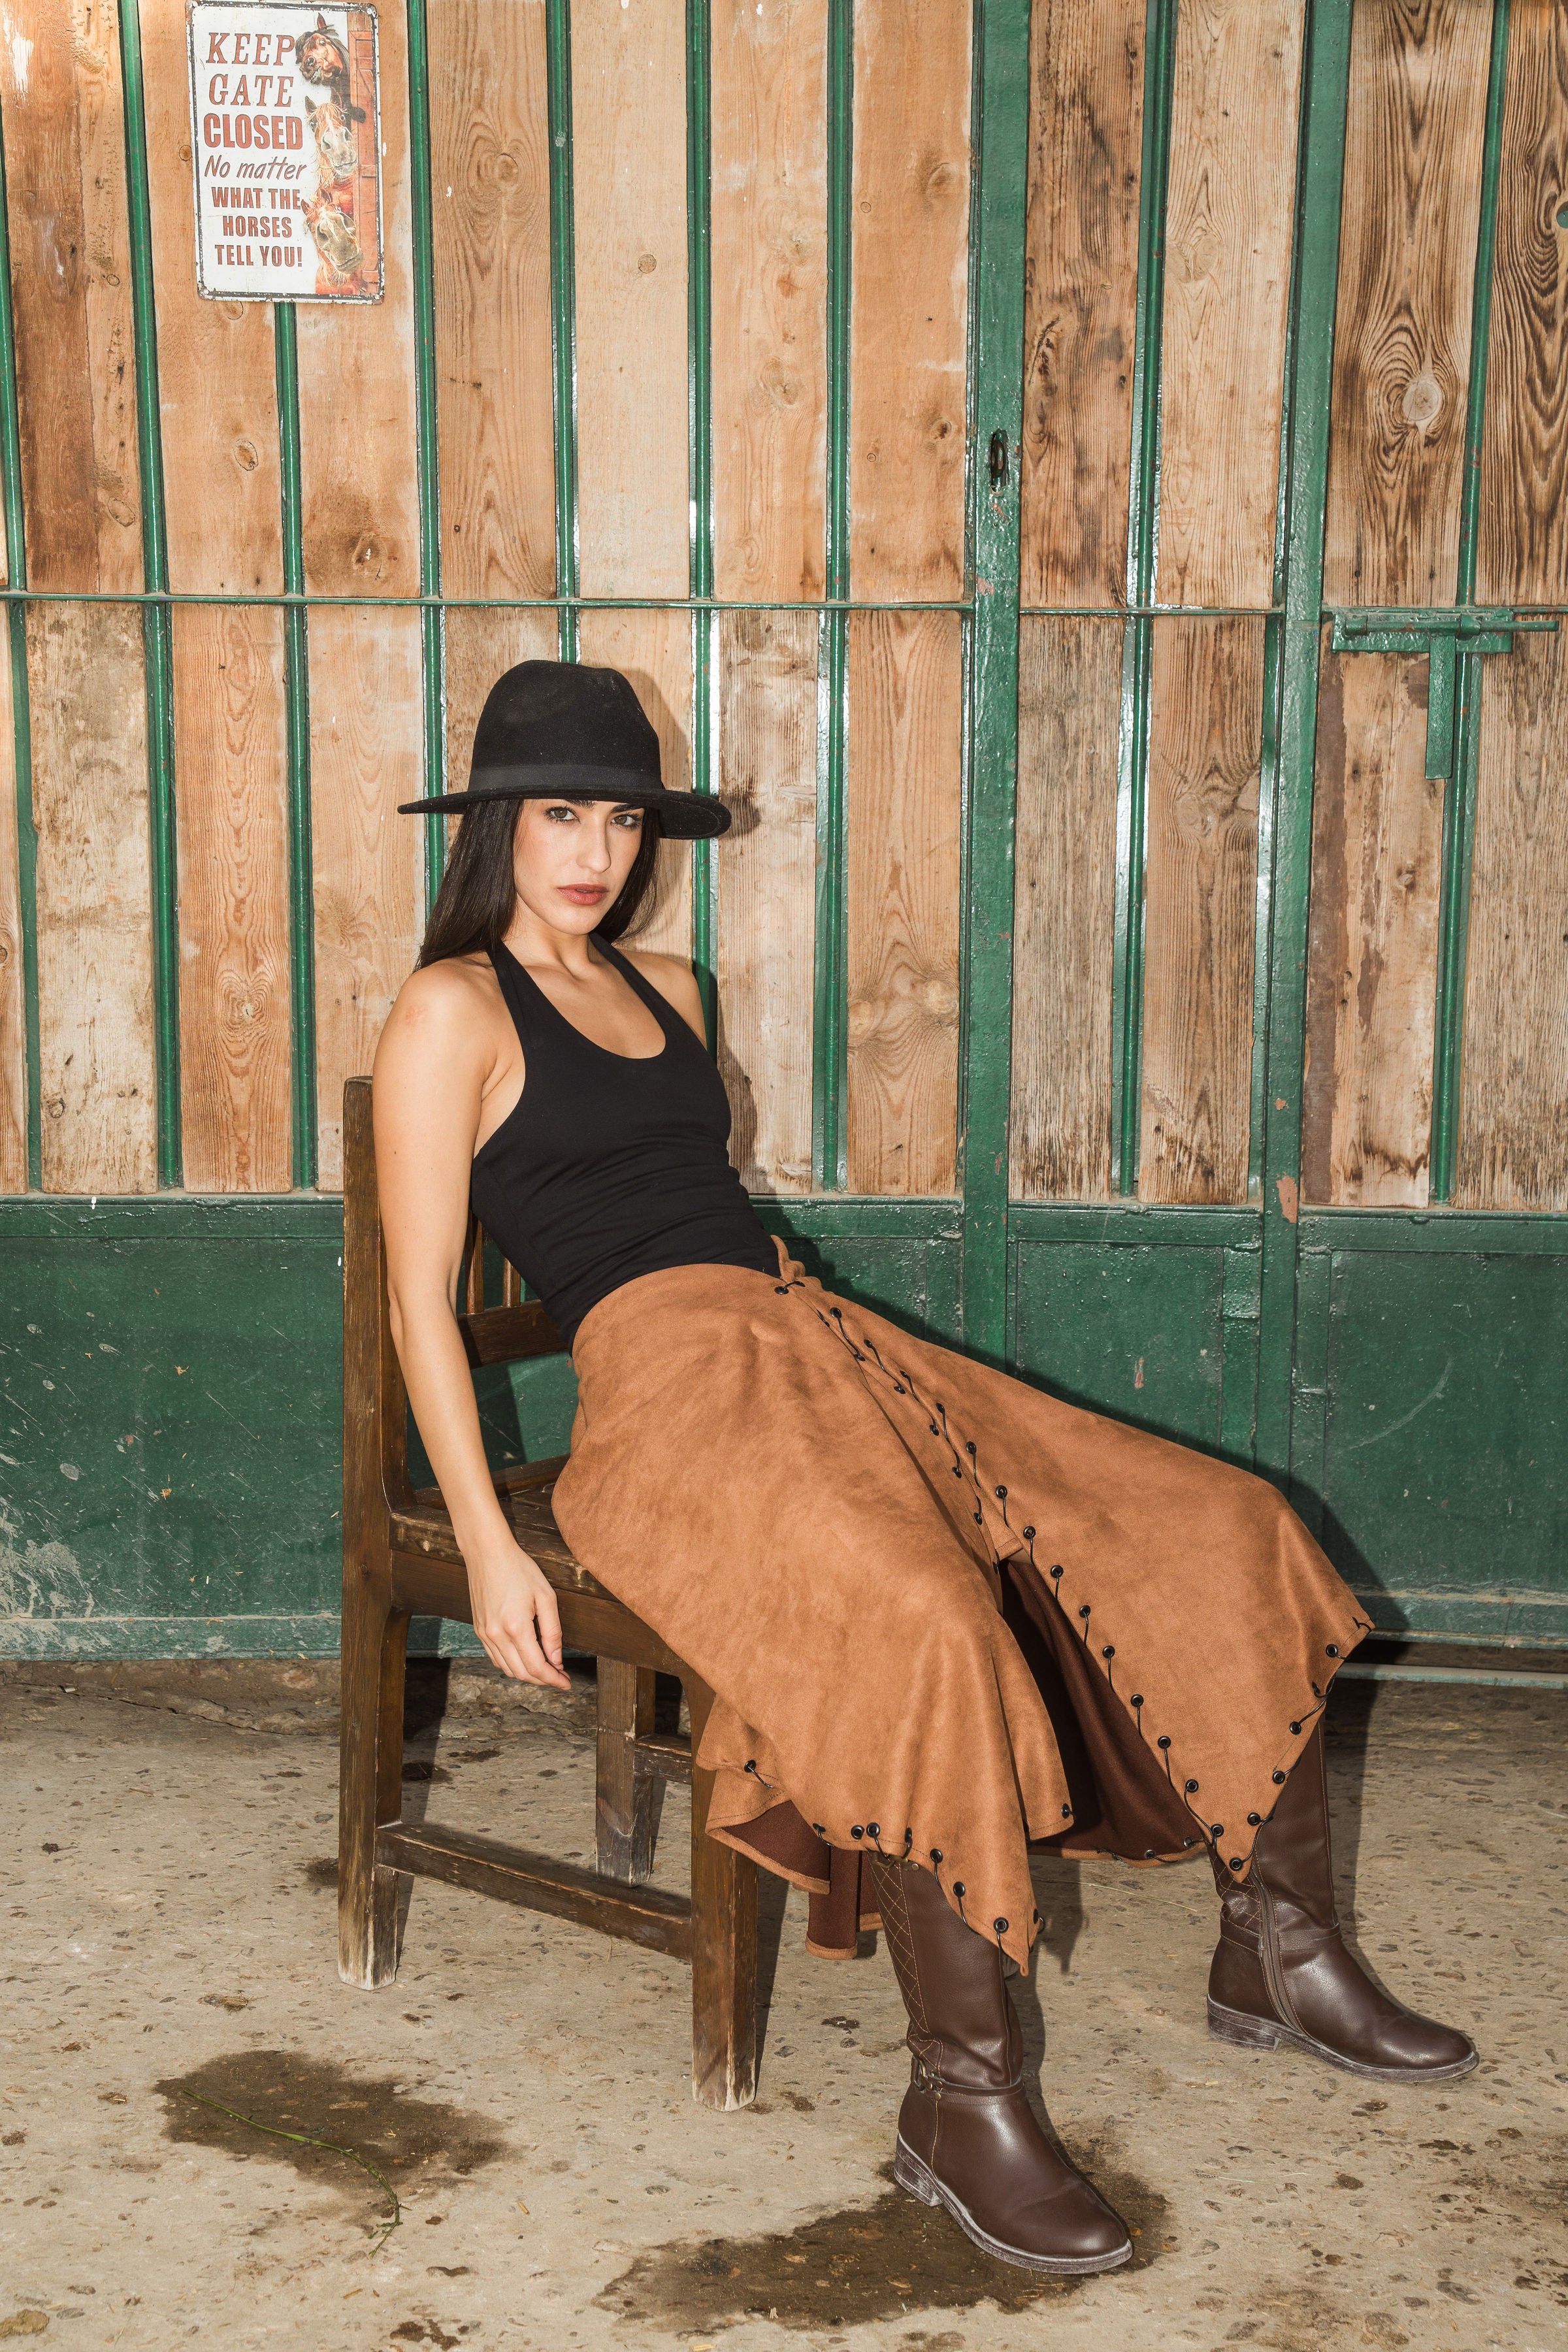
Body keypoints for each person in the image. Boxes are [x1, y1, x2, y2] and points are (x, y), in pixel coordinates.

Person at [374, 659, 1475, 2280]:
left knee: (1216, 1523)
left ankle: (1284, 1950)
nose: (596, 850)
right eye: (559, 816)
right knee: (924, 1621)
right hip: (665, 1399)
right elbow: (417, 1294)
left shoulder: (673, 982)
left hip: (809, 1339)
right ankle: (965, 2103)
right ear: (492, 828)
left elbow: (695, 1189)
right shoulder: (449, 1006)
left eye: (620, 817)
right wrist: (487, 1540)